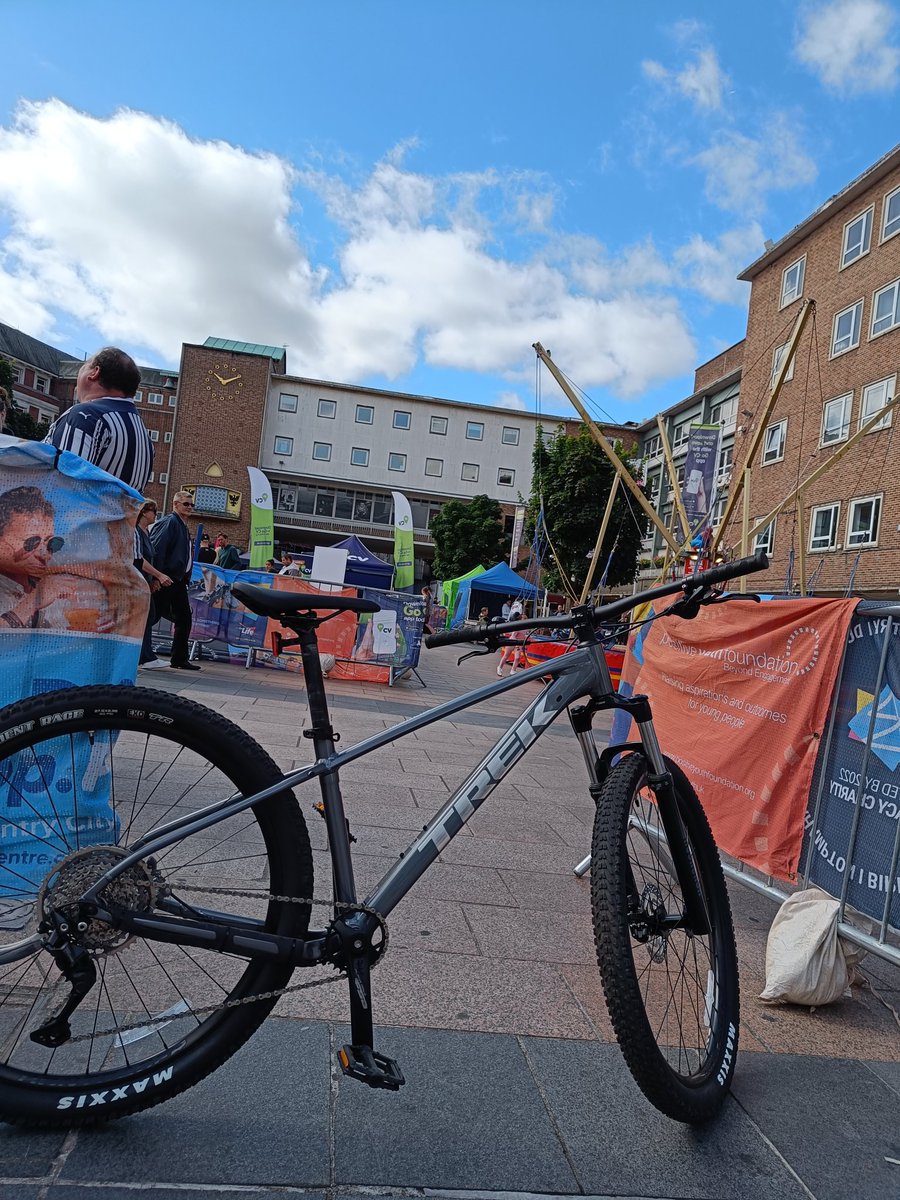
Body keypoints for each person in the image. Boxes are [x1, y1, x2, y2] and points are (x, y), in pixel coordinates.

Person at [43, 347, 153, 491]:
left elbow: (61, 483)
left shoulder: (85, 416)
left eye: (86, 364)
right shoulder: (143, 434)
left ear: (95, 372)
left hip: (75, 512)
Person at [149, 491, 199, 670]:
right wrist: (157, 577)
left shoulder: (182, 526)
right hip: (166, 578)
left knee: (183, 618)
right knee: (152, 616)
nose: (190, 507)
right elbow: (157, 549)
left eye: (192, 504)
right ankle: (140, 651)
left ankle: (179, 658)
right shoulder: (169, 522)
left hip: (177, 580)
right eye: (186, 504)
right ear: (175, 504)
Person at [133, 500, 172, 670]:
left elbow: (149, 558)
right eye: (153, 511)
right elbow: (139, 559)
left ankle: (142, 655)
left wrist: (154, 579)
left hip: (145, 581)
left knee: (150, 615)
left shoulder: (145, 533)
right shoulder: (136, 533)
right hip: (137, 581)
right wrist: (158, 575)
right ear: (143, 512)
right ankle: (145, 656)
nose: (156, 514)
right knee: (147, 616)